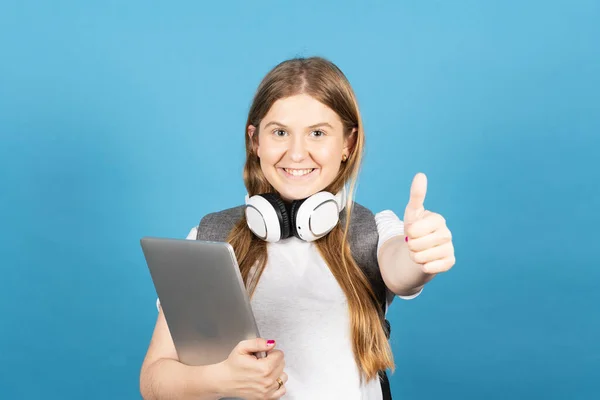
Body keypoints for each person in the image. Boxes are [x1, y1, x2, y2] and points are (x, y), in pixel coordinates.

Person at [139, 56, 456, 400]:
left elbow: (401, 269)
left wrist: (419, 253)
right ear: (255, 141)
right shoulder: (209, 239)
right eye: (279, 132)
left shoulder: (375, 231)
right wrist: (222, 380)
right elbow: (154, 381)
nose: (297, 153)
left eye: (317, 133)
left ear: (348, 144)